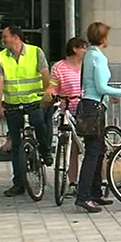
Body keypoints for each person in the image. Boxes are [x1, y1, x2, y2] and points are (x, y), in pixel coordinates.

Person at [76, 21, 121, 213]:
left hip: (89, 103)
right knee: (93, 152)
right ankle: (84, 195)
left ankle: (95, 192)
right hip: (94, 107)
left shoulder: (88, 56)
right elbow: (102, 86)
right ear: (103, 38)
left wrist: (107, 96)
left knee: (97, 149)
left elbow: (91, 84)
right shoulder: (98, 58)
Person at [0, 26, 53, 197]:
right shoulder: (2, 57)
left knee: (40, 123)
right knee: (16, 145)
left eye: (5, 36)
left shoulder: (35, 52)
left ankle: (45, 150)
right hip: (13, 103)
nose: (3, 39)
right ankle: (18, 183)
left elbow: (45, 74)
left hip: (34, 100)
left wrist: (47, 93)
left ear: (16, 37)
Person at [45, 37, 88, 197]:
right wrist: (50, 94)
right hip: (68, 110)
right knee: (71, 148)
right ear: (75, 49)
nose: (85, 51)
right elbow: (53, 86)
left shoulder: (87, 66)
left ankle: (99, 180)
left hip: (86, 110)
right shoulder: (59, 67)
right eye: (83, 48)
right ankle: (72, 182)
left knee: (90, 147)